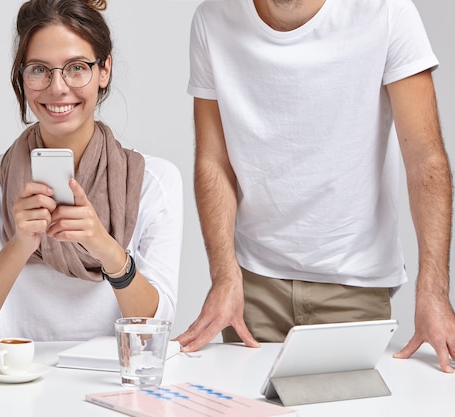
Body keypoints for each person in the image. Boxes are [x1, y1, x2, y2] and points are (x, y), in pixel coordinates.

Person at [175, 0, 455, 373]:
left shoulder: (386, 11)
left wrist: (434, 292)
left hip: (353, 286)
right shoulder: (213, 18)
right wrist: (225, 276)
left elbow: (425, 159)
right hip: (255, 286)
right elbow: (213, 160)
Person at [0, 0, 182, 348]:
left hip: (107, 383)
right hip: (10, 387)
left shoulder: (154, 181)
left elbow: (152, 334)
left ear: (104, 70)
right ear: (21, 77)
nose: (57, 88)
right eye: (39, 69)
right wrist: (21, 244)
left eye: (77, 67)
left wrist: (104, 245)